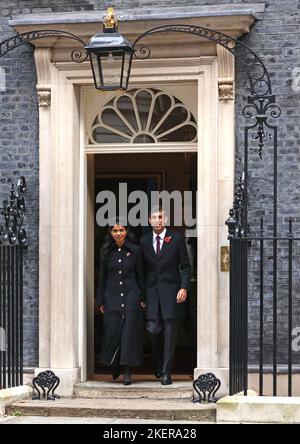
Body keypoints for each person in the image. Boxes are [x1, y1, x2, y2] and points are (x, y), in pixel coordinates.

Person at [140, 207, 191, 385]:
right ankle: (158, 363)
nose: (157, 220)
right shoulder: (144, 241)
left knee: (170, 334)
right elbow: (142, 270)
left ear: (165, 219)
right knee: (152, 330)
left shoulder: (176, 239)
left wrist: (184, 288)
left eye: (160, 217)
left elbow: (185, 266)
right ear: (149, 221)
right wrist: (142, 296)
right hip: (152, 292)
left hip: (172, 292)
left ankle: (166, 373)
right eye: (154, 217)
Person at [96, 218, 145, 385]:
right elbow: (103, 278)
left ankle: (127, 371)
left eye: (121, 230)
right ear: (110, 233)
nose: (118, 233)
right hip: (112, 297)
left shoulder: (136, 250)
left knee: (128, 334)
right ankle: (115, 365)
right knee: (113, 331)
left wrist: (143, 298)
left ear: (126, 231)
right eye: (115, 230)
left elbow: (141, 275)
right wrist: (100, 300)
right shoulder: (105, 251)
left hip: (132, 296)